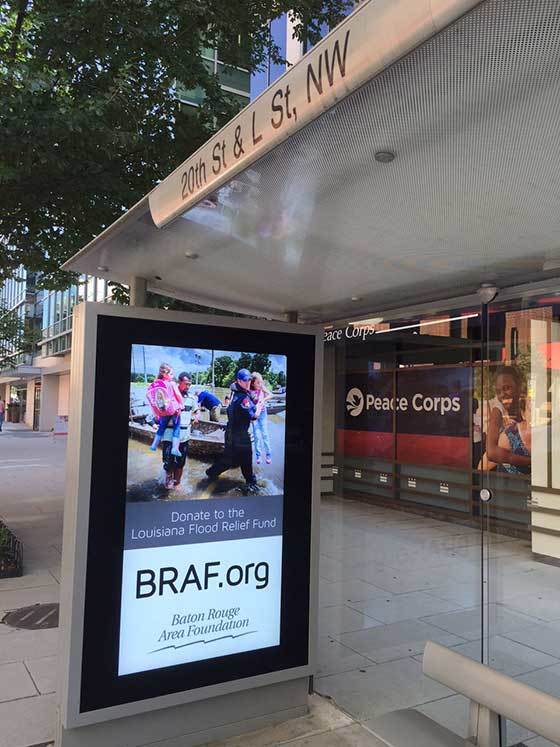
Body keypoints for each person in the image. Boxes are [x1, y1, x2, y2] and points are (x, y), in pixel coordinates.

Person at [205, 368, 258, 492]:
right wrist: (259, 405)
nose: (248, 382)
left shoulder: (238, 393)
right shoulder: (242, 398)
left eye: (249, 380)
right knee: (238, 460)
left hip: (233, 433)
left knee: (236, 460)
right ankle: (251, 483)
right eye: (245, 380)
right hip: (238, 435)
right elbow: (254, 416)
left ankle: (212, 473)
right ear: (238, 381)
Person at [486, 366, 531, 475]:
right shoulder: (498, 411)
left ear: (519, 386)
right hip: (508, 479)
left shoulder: (528, 406)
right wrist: (530, 462)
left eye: (507, 388)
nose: (502, 394)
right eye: (498, 391)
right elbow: (491, 453)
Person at [160, 373, 199, 489]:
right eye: (186, 384)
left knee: (181, 463)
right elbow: (160, 411)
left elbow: (196, 411)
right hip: (169, 436)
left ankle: (177, 483)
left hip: (184, 437)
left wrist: (196, 416)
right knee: (169, 463)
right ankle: (168, 483)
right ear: (179, 382)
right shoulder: (169, 396)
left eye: (190, 384)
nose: (188, 386)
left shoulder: (192, 398)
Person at [146, 363, 183, 456]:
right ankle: (175, 449)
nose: (172, 376)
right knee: (176, 428)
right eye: (171, 374)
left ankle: (154, 445)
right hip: (173, 409)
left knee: (161, 428)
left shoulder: (155, 383)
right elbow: (178, 396)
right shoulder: (172, 383)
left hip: (162, 411)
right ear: (165, 374)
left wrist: (157, 413)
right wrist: (181, 405)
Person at [250, 372, 273, 464]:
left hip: (262, 413)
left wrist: (263, 400)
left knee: (265, 434)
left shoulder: (262, 388)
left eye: (261, 382)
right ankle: (258, 455)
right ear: (252, 383)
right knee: (256, 436)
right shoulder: (249, 390)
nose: (260, 384)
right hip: (255, 414)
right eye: (258, 383)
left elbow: (271, 395)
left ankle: (268, 454)